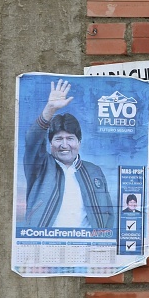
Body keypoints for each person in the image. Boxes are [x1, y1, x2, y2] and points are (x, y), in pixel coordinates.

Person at [23, 79, 115, 228]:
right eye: (59, 138)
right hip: (45, 245)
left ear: (79, 142)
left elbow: (108, 215)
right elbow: (32, 141)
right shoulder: (40, 166)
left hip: (86, 247)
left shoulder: (94, 171)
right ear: (51, 143)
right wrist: (49, 110)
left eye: (70, 139)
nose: (64, 145)